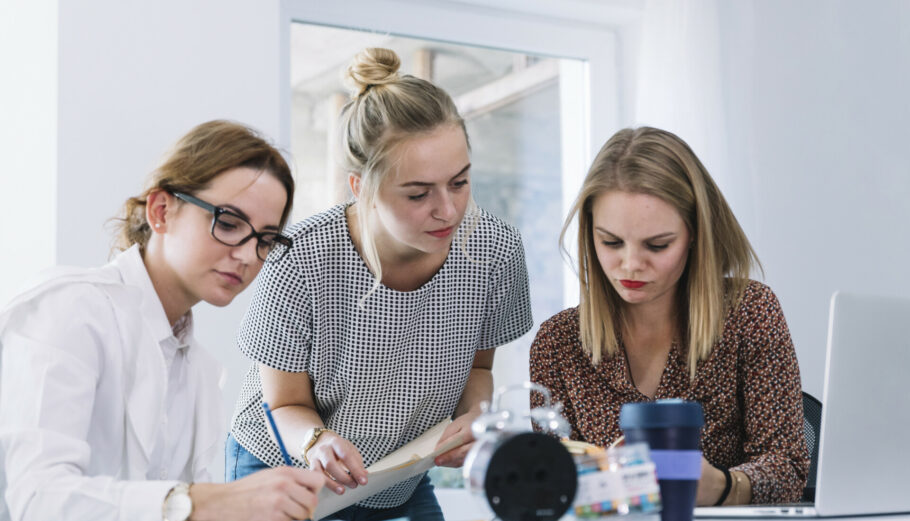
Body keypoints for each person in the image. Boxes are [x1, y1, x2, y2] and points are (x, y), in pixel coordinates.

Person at [225, 48, 533, 520]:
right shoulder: (302, 259)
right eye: (417, 193)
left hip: (398, 476)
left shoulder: (495, 251)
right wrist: (317, 442)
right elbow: (284, 403)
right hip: (283, 464)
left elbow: (478, 371)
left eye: (459, 182)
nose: (448, 211)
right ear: (360, 187)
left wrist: (476, 420)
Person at [0, 120, 324, 521]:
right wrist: (203, 501)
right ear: (161, 210)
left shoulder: (201, 370)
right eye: (228, 223)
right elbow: (37, 499)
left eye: (265, 240)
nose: (246, 256)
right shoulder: (69, 309)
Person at [530, 127, 808, 506]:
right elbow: (545, 489)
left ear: (695, 234)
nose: (630, 265)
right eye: (610, 242)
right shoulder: (558, 342)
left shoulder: (749, 311)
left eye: (657, 245)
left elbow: (788, 467)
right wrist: (597, 482)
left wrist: (722, 486)